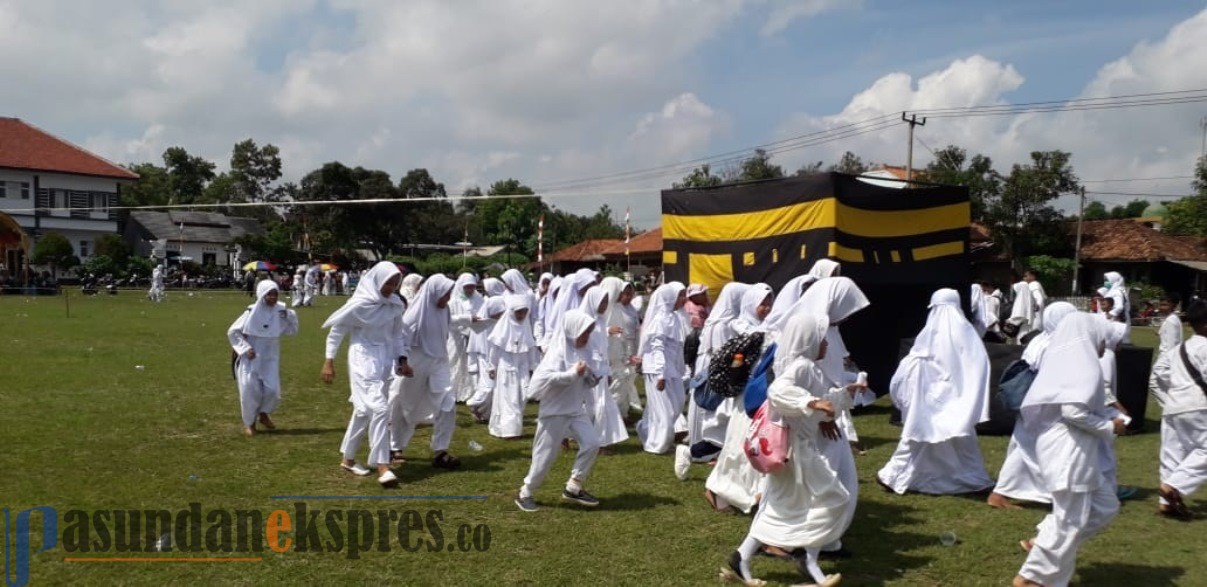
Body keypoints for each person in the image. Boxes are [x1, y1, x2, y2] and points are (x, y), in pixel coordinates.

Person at [721, 313, 860, 587]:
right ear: (808, 340)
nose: (826, 345)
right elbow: (778, 391)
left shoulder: (808, 367)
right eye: (821, 339)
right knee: (832, 498)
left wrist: (845, 394)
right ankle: (806, 557)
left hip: (797, 451)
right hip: (798, 452)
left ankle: (744, 556)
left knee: (782, 504)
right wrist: (813, 404)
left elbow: (821, 401)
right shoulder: (802, 366)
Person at [1014, 314, 1124, 587]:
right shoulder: (1083, 365)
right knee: (1069, 519)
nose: (1104, 344)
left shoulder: (1065, 360)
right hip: (1069, 449)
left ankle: (1044, 545)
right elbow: (1074, 411)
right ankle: (1031, 577)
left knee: (1104, 506)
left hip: (1069, 446)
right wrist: (1110, 426)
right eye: (1102, 337)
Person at [877, 288, 994, 495]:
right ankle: (973, 478)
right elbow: (978, 365)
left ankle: (894, 475)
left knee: (917, 436)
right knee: (961, 437)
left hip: (927, 396)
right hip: (956, 397)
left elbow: (912, 364)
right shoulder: (968, 334)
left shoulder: (929, 334)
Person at [321, 261, 409, 488]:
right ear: (377, 279)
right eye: (387, 282)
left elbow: (398, 335)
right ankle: (382, 465)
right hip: (362, 359)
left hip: (384, 360)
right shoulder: (359, 305)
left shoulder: (395, 305)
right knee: (379, 409)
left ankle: (348, 459)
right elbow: (336, 331)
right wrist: (329, 361)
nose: (390, 287)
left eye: (395, 283)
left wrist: (402, 359)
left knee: (363, 411)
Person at [988, 302, 1080, 509]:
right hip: (1046, 401)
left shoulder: (1039, 339)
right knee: (1044, 444)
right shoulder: (1058, 343)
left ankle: (1005, 492)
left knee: (1024, 444)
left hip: (1033, 400)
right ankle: (1054, 491)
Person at [515, 310, 603, 512]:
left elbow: (583, 380)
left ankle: (574, 485)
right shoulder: (556, 354)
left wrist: (593, 377)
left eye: (589, 333)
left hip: (574, 410)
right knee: (544, 457)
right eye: (584, 333)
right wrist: (573, 374)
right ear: (573, 331)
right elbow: (538, 384)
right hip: (554, 413)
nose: (587, 337)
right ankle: (525, 492)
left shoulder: (583, 351)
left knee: (592, 443)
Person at [704, 283, 774, 514]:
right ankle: (717, 488)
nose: (766, 308)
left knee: (752, 444)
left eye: (769, 303)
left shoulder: (769, 328)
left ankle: (748, 492)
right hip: (744, 394)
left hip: (760, 393)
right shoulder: (740, 327)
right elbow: (735, 362)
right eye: (762, 303)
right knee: (738, 443)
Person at [678, 282, 749, 477]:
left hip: (710, 368)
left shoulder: (719, 318)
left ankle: (708, 451)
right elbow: (722, 353)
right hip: (716, 371)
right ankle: (698, 451)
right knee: (714, 413)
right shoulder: (723, 323)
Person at [392, 274, 462, 470]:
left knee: (448, 403)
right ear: (435, 292)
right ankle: (395, 446)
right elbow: (401, 340)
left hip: (439, 361)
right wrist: (402, 363)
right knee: (404, 404)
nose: (448, 299)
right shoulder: (415, 314)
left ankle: (440, 451)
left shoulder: (445, 310)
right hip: (415, 363)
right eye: (445, 294)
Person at [1150, 300, 1207, 520]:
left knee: (1171, 454)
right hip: (1198, 404)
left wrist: (1175, 387)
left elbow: (1161, 371)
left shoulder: (1180, 348)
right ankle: (1174, 485)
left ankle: (1166, 503)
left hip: (1173, 404)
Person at [228, 280, 299, 436]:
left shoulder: (281, 311)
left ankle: (264, 413)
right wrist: (245, 348)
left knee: (272, 389)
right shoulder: (250, 312)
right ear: (262, 295)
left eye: (275, 294)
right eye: (269, 294)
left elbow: (292, 330)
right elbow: (233, 332)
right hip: (252, 355)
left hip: (271, 354)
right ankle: (250, 423)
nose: (273, 297)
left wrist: (290, 316)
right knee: (249, 389)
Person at [636, 282, 689, 455]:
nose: (684, 299)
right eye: (680, 295)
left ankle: (646, 428)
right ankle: (657, 445)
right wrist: (660, 373)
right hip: (658, 369)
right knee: (664, 411)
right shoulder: (659, 320)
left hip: (671, 369)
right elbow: (657, 347)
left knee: (677, 404)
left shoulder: (675, 318)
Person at [487, 294, 540, 439]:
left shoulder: (526, 327)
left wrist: (534, 367)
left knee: (522, 396)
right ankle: (509, 430)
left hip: (522, 369)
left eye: (524, 312)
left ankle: (514, 427)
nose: (522, 315)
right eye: (518, 312)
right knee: (509, 399)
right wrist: (492, 366)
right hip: (507, 367)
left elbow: (530, 348)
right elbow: (495, 349)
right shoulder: (503, 328)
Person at [604, 278, 643, 416]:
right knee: (614, 386)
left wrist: (631, 353)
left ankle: (621, 414)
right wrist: (608, 330)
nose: (625, 296)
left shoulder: (625, 309)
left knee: (624, 384)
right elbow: (596, 330)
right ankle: (610, 417)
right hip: (609, 354)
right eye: (622, 293)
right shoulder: (607, 309)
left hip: (622, 351)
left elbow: (631, 332)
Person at [448, 273, 484, 403]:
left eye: (472, 287)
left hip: (474, 336)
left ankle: (470, 391)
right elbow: (449, 319)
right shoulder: (453, 301)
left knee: (471, 364)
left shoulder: (479, 299)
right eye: (467, 287)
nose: (470, 290)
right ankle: (453, 391)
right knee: (455, 363)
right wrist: (467, 319)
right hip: (457, 337)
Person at [1103, 271, 1131, 342]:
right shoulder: (1119, 290)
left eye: (1107, 280)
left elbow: (1119, 306)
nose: (1105, 282)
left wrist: (1111, 314)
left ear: (1113, 280)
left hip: (1117, 321)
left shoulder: (1116, 291)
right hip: (1120, 320)